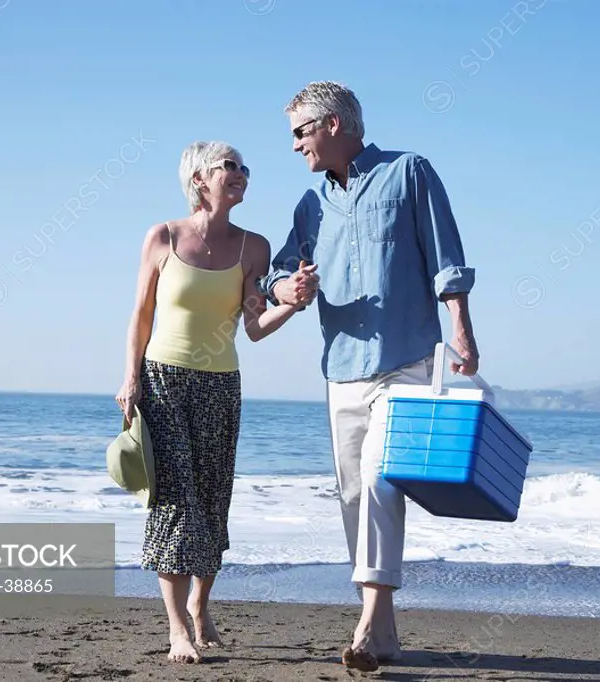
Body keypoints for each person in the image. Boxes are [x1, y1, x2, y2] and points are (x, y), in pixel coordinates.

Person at [260, 81, 479, 671]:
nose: (296, 146)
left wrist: (461, 328)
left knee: (383, 481)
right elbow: (275, 277)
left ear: (333, 125)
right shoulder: (310, 206)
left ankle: (368, 622)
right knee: (353, 493)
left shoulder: (409, 172)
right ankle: (381, 628)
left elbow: (445, 255)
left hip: (407, 359)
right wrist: (289, 289)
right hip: (341, 369)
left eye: (301, 133)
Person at [115, 141, 299, 664]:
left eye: (244, 167)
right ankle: (177, 628)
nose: (240, 174)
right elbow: (141, 317)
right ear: (199, 179)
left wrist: (294, 305)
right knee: (175, 501)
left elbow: (256, 327)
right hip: (163, 380)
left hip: (221, 384)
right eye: (229, 167)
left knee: (213, 500)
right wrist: (130, 379)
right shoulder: (162, 237)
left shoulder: (254, 248)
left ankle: (201, 605)